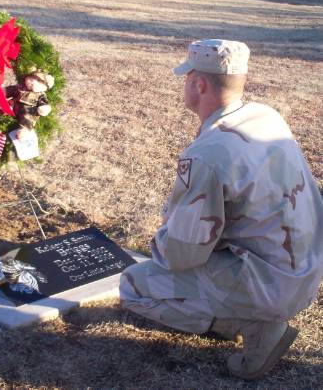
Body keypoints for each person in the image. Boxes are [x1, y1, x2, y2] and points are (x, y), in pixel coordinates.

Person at [119, 39, 323, 380]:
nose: (185, 84)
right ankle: (251, 313)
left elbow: (183, 253)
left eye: (187, 77)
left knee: (133, 286)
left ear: (199, 84)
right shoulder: (266, 116)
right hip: (304, 270)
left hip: (271, 285)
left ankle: (255, 326)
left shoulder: (208, 155)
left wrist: (162, 238)